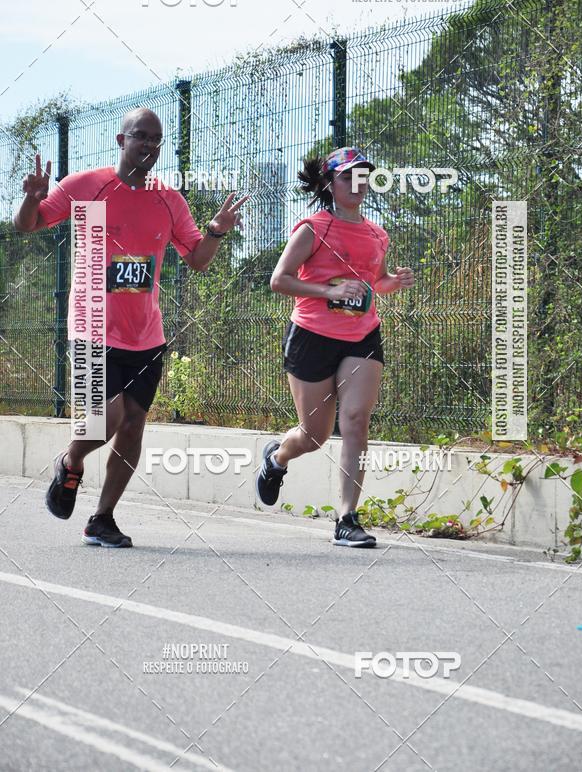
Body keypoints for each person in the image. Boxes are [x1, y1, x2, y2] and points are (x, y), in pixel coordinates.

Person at [14, 108, 247, 548]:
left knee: (135, 422)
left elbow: (197, 259)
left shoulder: (168, 199)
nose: (148, 145)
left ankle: (102, 518)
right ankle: (71, 461)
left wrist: (216, 230)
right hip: (91, 327)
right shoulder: (88, 186)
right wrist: (32, 197)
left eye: (156, 139)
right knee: (107, 415)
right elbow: (27, 224)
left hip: (146, 334)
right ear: (120, 140)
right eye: (140, 136)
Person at [255, 147, 414, 547]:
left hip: (362, 336)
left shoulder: (378, 233)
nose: (357, 184)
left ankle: (347, 519)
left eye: (363, 177)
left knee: (356, 420)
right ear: (330, 184)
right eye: (348, 177)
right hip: (312, 336)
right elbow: (280, 280)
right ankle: (277, 459)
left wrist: (391, 282)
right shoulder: (313, 228)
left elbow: (373, 281)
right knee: (313, 436)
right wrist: (328, 290)